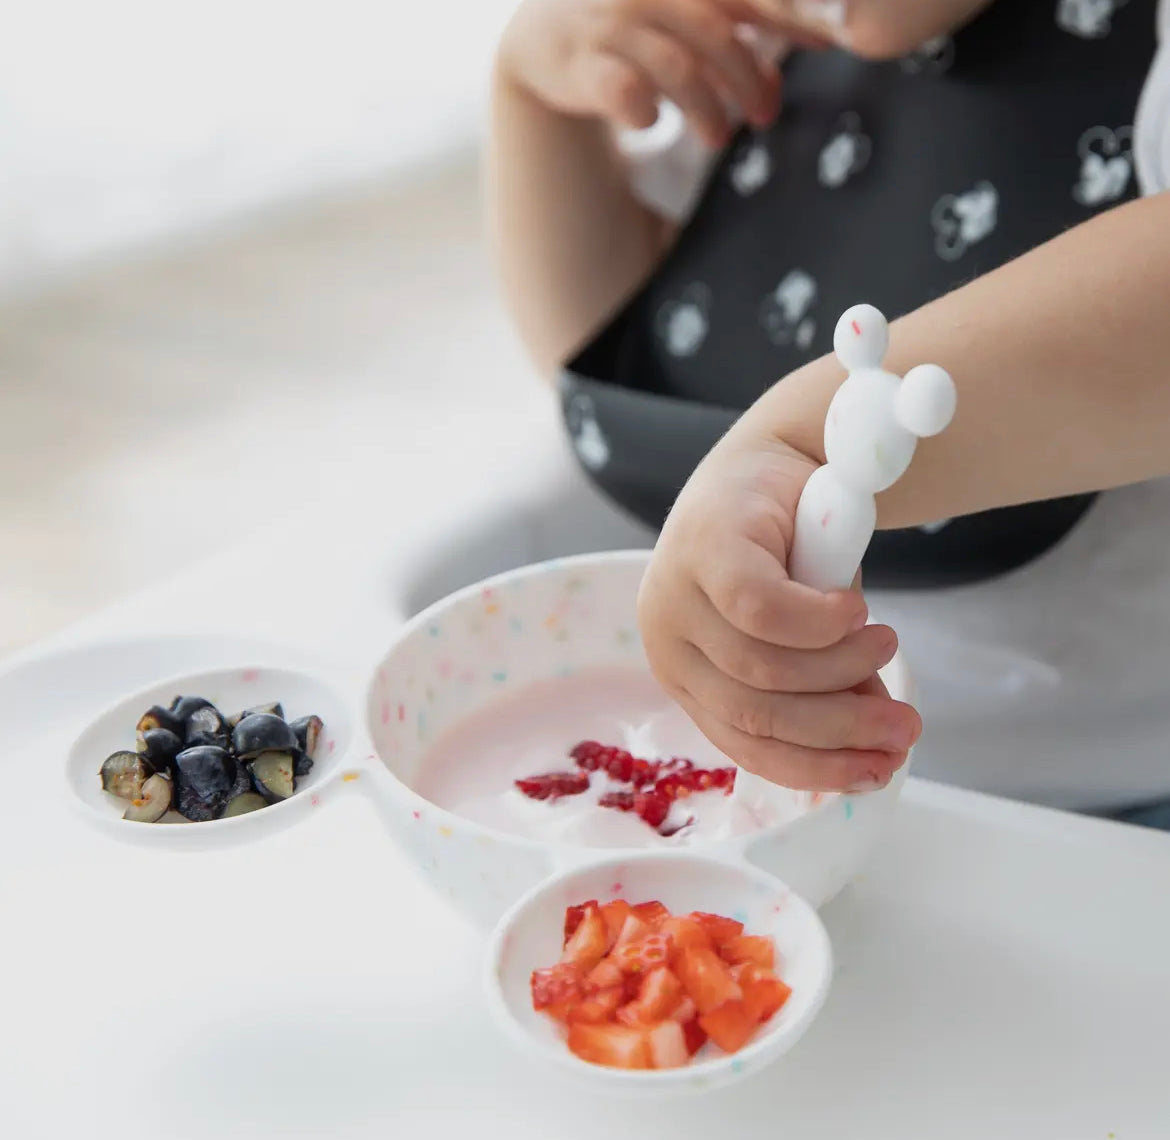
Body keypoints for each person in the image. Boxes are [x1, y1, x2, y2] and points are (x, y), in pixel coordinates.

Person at [488, 0, 1170, 827]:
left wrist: (815, 439)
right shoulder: (777, 35)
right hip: (754, 778)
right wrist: (535, 100)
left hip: (1095, 807)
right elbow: (635, 352)